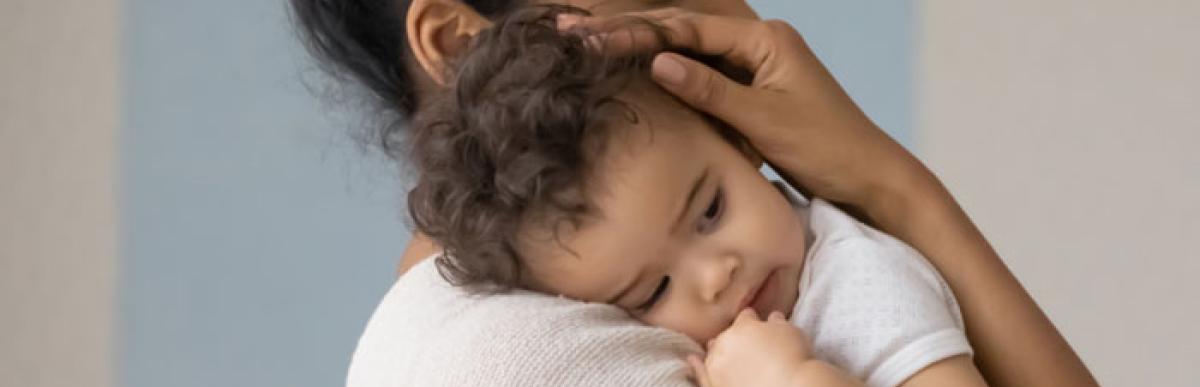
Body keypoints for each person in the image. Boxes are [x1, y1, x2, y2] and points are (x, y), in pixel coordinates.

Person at [289, 1, 1098, 386]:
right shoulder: (493, 354)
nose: (714, 276)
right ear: (459, 41)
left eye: (710, 208)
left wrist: (891, 188)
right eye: (651, 289)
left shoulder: (842, 280)